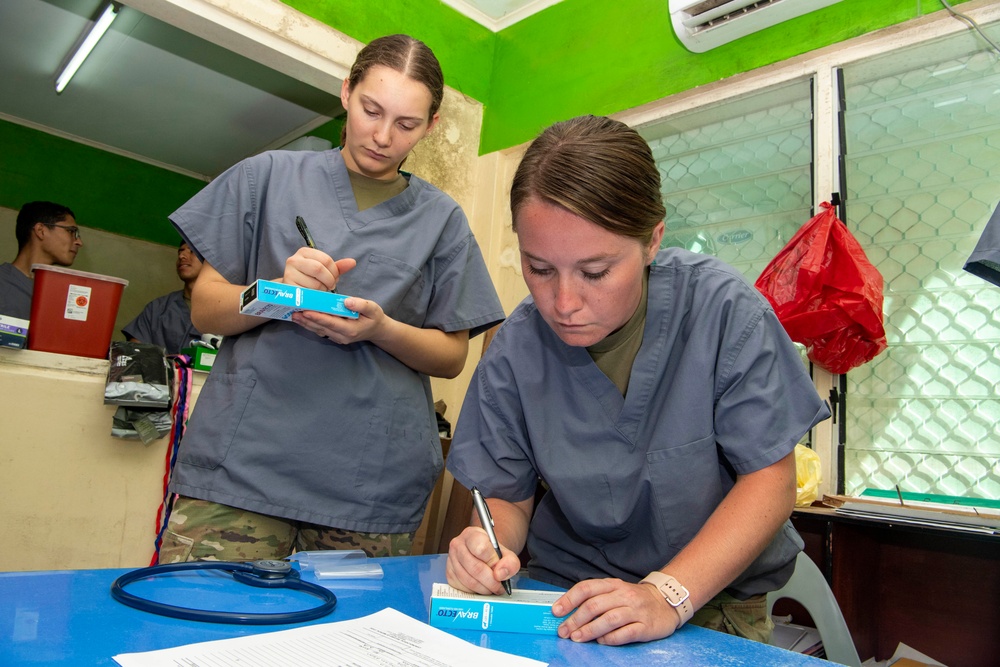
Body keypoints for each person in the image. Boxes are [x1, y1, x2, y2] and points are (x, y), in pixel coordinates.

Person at [444, 115, 831, 647]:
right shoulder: (516, 348)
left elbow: (770, 481)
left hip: (715, 597)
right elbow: (506, 497)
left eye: (595, 272)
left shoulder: (721, 311)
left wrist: (668, 594)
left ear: (652, 241)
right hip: (569, 600)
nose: (563, 303)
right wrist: (487, 550)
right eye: (538, 267)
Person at [158, 34, 504, 563]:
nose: (383, 136)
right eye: (371, 110)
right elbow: (205, 307)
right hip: (243, 469)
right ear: (346, 93)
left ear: (431, 126)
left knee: (346, 645)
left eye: (407, 125)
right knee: (199, 623)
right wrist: (277, 291)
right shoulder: (265, 176)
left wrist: (381, 329)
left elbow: (453, 357)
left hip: (366, 484)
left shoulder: (442, 221)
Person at [0, 201, 82, 319]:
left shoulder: (62, 297)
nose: (79, 242)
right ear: (40, 230)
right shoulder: (3, 284)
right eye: (71, 231)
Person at [121, 241, 203, 354]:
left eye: (192, 251)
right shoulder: (157, 308)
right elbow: (135, 352)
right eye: (180, 251)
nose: (182, 256)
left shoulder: (225, 308)